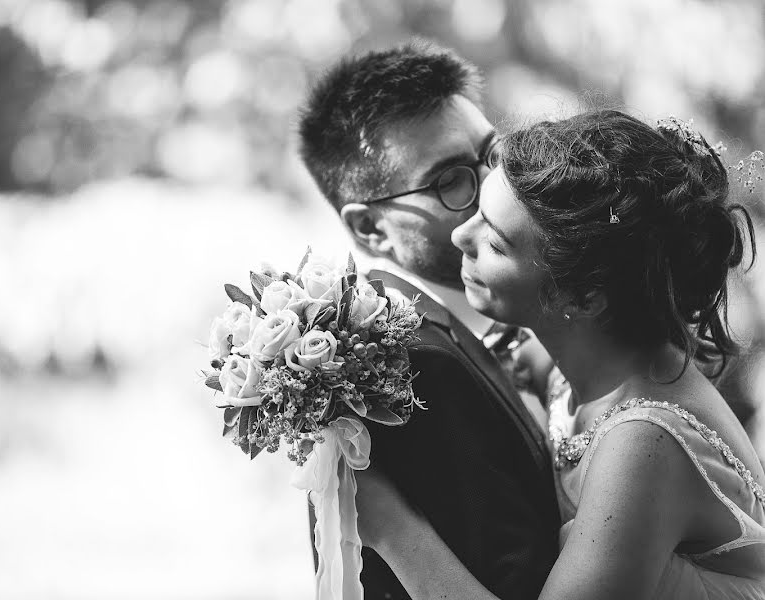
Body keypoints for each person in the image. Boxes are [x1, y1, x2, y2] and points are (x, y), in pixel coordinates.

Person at [354, 109, 765, 599]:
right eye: (477, 215)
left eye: (496, 243)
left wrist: (392, 529)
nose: (462, 237)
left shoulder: (644, 445)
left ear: (583, 298)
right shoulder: (586, 360)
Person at [297, 41, 561, 599]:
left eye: (492, 153)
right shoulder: (410, 364)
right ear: (371, 229)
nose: (496, 187)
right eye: (451, 181)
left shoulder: (516, 322)